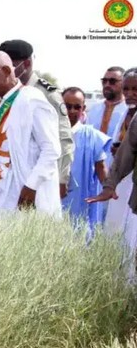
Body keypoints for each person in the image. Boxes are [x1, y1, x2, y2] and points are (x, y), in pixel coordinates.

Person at [0, 51, 61, 215]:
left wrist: (32, 185)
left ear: (6, 71)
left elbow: (51, 149)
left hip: (23, 192)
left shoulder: (32, 99)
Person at [0, 39, 73, 198]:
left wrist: (62, 178)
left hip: (40, 176)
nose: (6, 71)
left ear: (26, 64)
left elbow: (63, 139)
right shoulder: (4, 92)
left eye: (11, 65)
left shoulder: (47, 93)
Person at [90, 68, 137, 250]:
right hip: (120, 181)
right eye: (126, 89)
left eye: (135, 89)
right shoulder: (127, 114)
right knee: (115, 232)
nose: (130, 94)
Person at [61, 87, 110, 239]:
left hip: (79, 199)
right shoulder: (49, 132)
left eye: (77, 107)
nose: (72, 111)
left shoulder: (92, 136)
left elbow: (101, 167)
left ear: (83, 108)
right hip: (52, 197)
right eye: (67, 106)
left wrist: (109, 188)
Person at [86, 66, 127, 167]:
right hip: (91, 167)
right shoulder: (94, 108)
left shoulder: (128, 111)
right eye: (104, 81)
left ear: (124, 83)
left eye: (112, 81)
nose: (107, 85)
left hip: (116, 169)